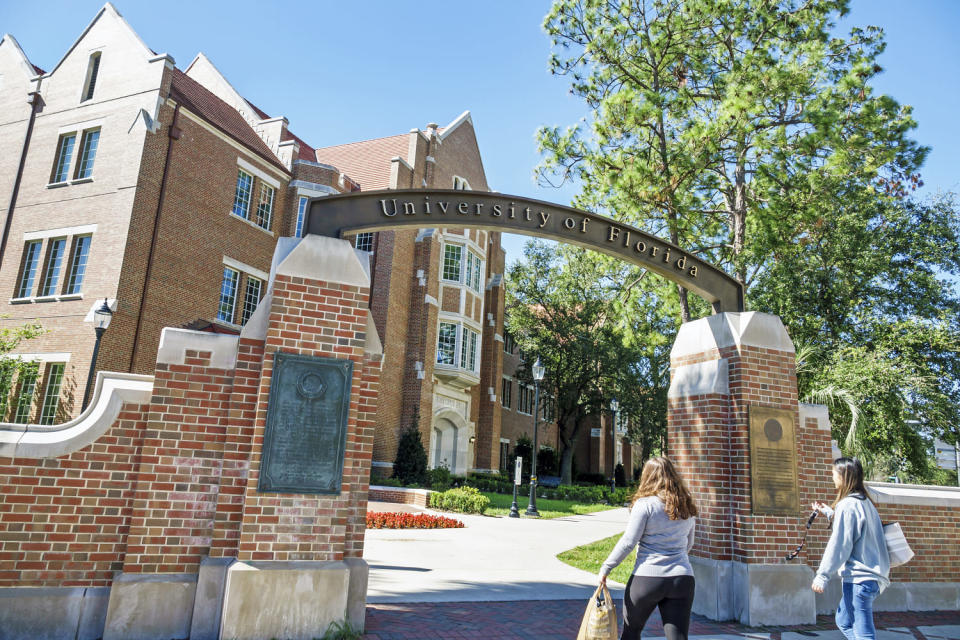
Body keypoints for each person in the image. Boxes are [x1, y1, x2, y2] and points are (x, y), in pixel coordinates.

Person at [598, 456, 697, 640]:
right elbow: (689, 544)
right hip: (682, 578)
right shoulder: (686, 504)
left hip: (648, 578)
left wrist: (607, 567)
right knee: (678, 637)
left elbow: (629, 541)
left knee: (631, 632)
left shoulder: (645, 505)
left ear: (647, 476)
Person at [811, 457, 890, 640]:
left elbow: (840, 544)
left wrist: (822, 575)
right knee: (844, 621)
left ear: (843, 476)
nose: (832, 477)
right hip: (873, 577)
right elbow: (854, 527)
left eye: (833, 473)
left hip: (859, 579)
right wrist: (830, 513)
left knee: (863, 635)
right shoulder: (865, 502)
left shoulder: (847, 505)